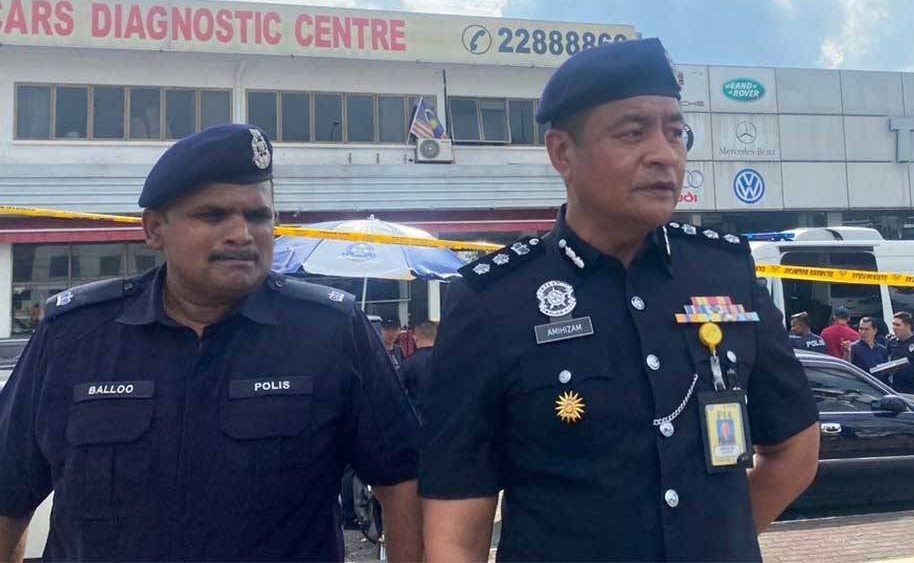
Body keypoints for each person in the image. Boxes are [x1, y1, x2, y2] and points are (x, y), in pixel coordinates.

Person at [418, 38, 820, 562]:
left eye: (675, 132)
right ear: (562, 152)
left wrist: (715, 543)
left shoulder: (725, 272)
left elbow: (795, 446)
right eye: (633, 133)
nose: (664, 154)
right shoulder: (494, 300)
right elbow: (456, 527)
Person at [0, 124, 422, 562]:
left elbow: (401, 480)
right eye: (213, 215)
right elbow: (8, 495)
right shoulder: (74, 335)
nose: (242, 233)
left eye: (258, 216)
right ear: (154, 228)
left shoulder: (331, 330)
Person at [886, 312, 914, 395]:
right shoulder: (892, 342)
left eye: (898, 325)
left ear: (908, 326)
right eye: (893, 324)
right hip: (897, 388)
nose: (894, 328)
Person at [398, 321, 437, 417]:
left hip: (418, 419)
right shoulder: (448, 360)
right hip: (446, 421)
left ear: (415, 338)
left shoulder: (408, 364)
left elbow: (396, 392)